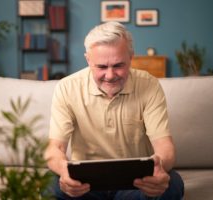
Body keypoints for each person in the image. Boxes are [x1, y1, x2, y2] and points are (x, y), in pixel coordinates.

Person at [44, 21, 184, 200]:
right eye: (101, 67)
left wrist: (159, 167)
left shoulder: (149, 85)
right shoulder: (67, 87)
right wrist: (64, 171)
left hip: (136, 183)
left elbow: (165, 147)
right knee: (49, 185)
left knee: (172, 184)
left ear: (131, 57)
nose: (110, 76)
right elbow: (54, 147)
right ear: (88, 60)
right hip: (85, 184)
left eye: (118, 65)